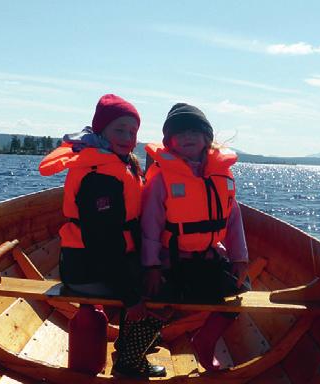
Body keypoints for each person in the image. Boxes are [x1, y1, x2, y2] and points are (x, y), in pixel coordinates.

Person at [39, 94, 166, 377]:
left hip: (101, 262)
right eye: (119, 129)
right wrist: (132, 296)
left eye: (132, 131)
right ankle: (129, 364)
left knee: (160, 277)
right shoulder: (100, 177)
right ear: (101, 131)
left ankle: (130, 349)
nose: (127, 136)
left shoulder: (121, 163)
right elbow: (103, 244)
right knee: (161, 296)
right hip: (88, 269)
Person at [141, 103, 250, 371]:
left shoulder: (222, 176)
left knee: (240, 293)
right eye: (180, 133)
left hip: (210, 258)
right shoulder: (161, 179)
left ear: (206, 138)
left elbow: (233, 220)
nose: (188, 137)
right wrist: (151, 267)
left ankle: (205, 341)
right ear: (170, 142)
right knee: (154, 304)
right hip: (170, 261)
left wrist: (240, 257)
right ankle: (132, 354)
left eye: (194, 131)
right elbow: (150, 226)